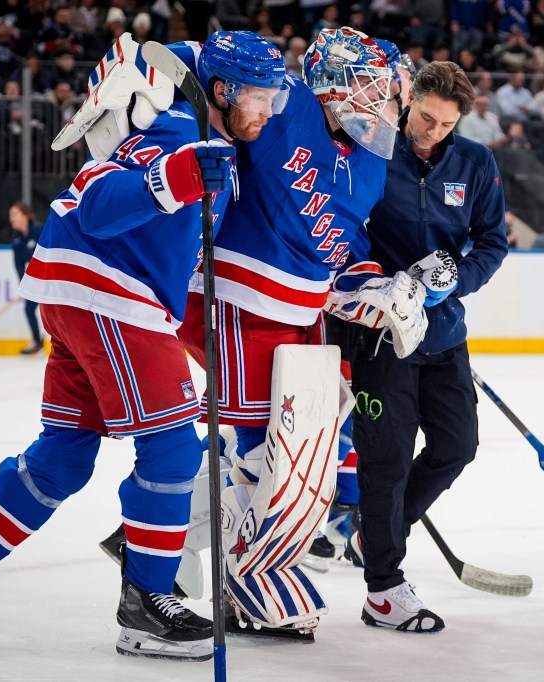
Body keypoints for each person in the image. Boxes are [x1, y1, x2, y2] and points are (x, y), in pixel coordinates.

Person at [0, 32, 286, 662]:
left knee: (65, 455)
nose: (268, 112)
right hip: (109, 291)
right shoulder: (178, 130)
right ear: (223, 91)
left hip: (84, 290)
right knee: (173, 446)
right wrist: (178, 174)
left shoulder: (201, 134)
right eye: (261, 98)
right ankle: (147, 606)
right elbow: (100, 203)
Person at [169, 28, 417, 637]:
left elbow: (346, 248)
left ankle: (165, 536)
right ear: (336, 83)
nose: (384, 107)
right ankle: (247, 580)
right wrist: (144, 70)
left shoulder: (371, 169)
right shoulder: (288, 102)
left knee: (308, 448)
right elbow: (201, 66)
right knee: (264, 450)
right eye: (373, 91)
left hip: (301, 316)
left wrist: (377, 289)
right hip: (234, 300)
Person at [341, 60, 507, 633]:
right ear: (411, 101)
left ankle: (375, 533)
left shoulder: (475, 162)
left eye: (443, 124)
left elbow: (492, 242)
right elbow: (338, 225)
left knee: (457, 445)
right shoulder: (369, 148)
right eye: (425, 116)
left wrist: (453, 277)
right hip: (379, 334)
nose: (430, 131)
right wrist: (373, 281)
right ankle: (383, 589)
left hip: (443, 333)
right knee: (385, 462)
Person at [8, 202, 44, 354]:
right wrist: (25, 285)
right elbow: (19, 266)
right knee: (29, 309)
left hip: (50, 277)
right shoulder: (17, 241)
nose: (11, 219)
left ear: (25, 216)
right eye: (10, 216)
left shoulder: (40, 232)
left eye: (14, 215)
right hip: (35, 281)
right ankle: (37, 342)